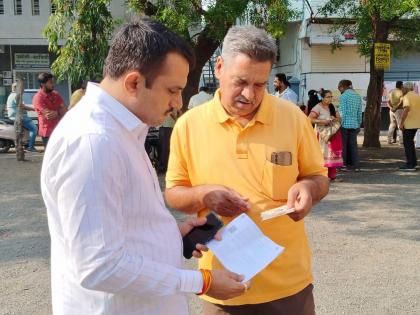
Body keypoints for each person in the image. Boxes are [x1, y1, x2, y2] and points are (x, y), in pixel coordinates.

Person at [40, 18, 247, 315]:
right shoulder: (93, 142)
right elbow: (100, 266)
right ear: (134, 82)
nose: (177, 103)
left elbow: (120, 227)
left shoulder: (121, 131)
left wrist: (169, 235)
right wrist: (201, 281)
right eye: (172, 90)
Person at [165, 25, 329, 315]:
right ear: (219, 67)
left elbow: (318, 178)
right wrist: (205, 195)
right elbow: (174, 194)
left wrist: (308, 189)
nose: (249, 94)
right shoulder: (188, 126)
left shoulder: (292, 118)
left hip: (289, 287)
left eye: (259, 85)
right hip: (223, 288)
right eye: (240, 82)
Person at [309, 90, 343, 180]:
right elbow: (310, 119)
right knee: (323, 153)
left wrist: (334, 119)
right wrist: (322, 121)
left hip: (331, 133)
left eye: (331, 97)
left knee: (331, 154)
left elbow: (339, 118)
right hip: (322, 134)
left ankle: (332, 175)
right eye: (328, 97)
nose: (330, 99)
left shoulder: (332, 106)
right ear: (322, 98)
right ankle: (322, 175)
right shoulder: (317, 107)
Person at [33, 73, 66, 147]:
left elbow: (65, 109)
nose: (53, 84)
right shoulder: (38, 97)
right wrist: (59, 111)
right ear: (43, 84)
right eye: (50, 82)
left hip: (59, 130)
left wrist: (57, 112)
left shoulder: (56, 94)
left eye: (53, 82)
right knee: (51, 157)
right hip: (47, 132)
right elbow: (49, 115)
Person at [6, 82, 39, 152]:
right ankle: (30, 147)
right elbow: (22, 106)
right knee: (34, 129)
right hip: (19, 116)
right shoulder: (17, 96)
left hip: (13, 116)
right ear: (16, 88)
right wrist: (34, 109)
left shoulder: (11, 95)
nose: (23, 89)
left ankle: (26, 144)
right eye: (21, 88)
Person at [338, 79, 362, 172]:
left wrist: (339, 123)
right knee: (353, 145)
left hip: (344, 124)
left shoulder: (343, 96)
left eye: (339, 87)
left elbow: (342, 112)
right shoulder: (357, 96)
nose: (339, 89)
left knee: (343, 145)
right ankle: (356, 165)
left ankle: (343, 164)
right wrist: (359, 123)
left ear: (343, 86)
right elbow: (359, 112)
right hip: (355, 124)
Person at [399, 82, 420, 171]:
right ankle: (413, 162)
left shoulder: (407, 96)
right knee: (410, 144)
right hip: (416, 123)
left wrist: (401, 123)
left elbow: (406, 109)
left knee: (408, 144)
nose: (402, 90)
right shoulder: (417, 95)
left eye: (403, 88)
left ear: (406, 88)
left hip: (409, 124)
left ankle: (410, 164)